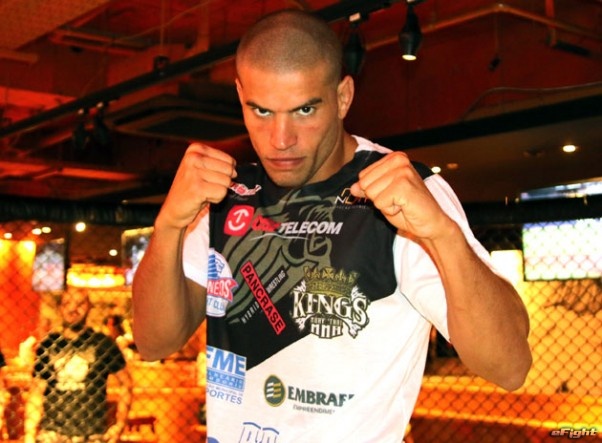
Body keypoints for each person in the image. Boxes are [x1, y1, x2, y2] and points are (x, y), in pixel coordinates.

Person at [132, 9, 532, 442]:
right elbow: (154, 343)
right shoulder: (227, 193)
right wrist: (169, 225)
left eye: (305, 109)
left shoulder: (400, 191)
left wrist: (442, 235)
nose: (280, 139)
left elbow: (509, 367)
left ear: (343, 97)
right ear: (240, 96)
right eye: (261, 110)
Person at [24, 289, 132, 443]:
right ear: (60, 308)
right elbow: (36, 392)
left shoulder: (103, 343)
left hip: (91, 434)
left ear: (89, 307)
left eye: (80, 304)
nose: (72, 309)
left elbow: (126, 383)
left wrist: (119, 425)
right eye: (67, 303)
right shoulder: (48, 345)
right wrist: (29, 435)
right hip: (53, 434)